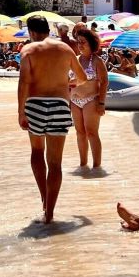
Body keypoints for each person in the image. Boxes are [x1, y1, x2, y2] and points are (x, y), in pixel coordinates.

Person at [17, 15, 88, 224]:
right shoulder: (65, 49)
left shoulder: (28, 51)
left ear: (31, 33)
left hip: (35, 105)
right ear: (48, 30)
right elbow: (83, 78)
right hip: (59, 105)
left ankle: (43, 199)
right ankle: (50, 213)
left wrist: (21, 111)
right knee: (55, 163)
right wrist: (68, 83)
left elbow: (24, 82)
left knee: (37, 152)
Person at [69, 26, 109, 172]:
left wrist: (101, 102)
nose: (80, 45)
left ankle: (97, 166)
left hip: (91, 99)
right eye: (78, 42)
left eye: (83, 42)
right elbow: (68, 81)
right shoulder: (75, 60)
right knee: (79, 132)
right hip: (74, 100)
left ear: (91, 43)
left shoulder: (97, 61)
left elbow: (104, 82)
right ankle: (83, 165)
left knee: (91, 132)